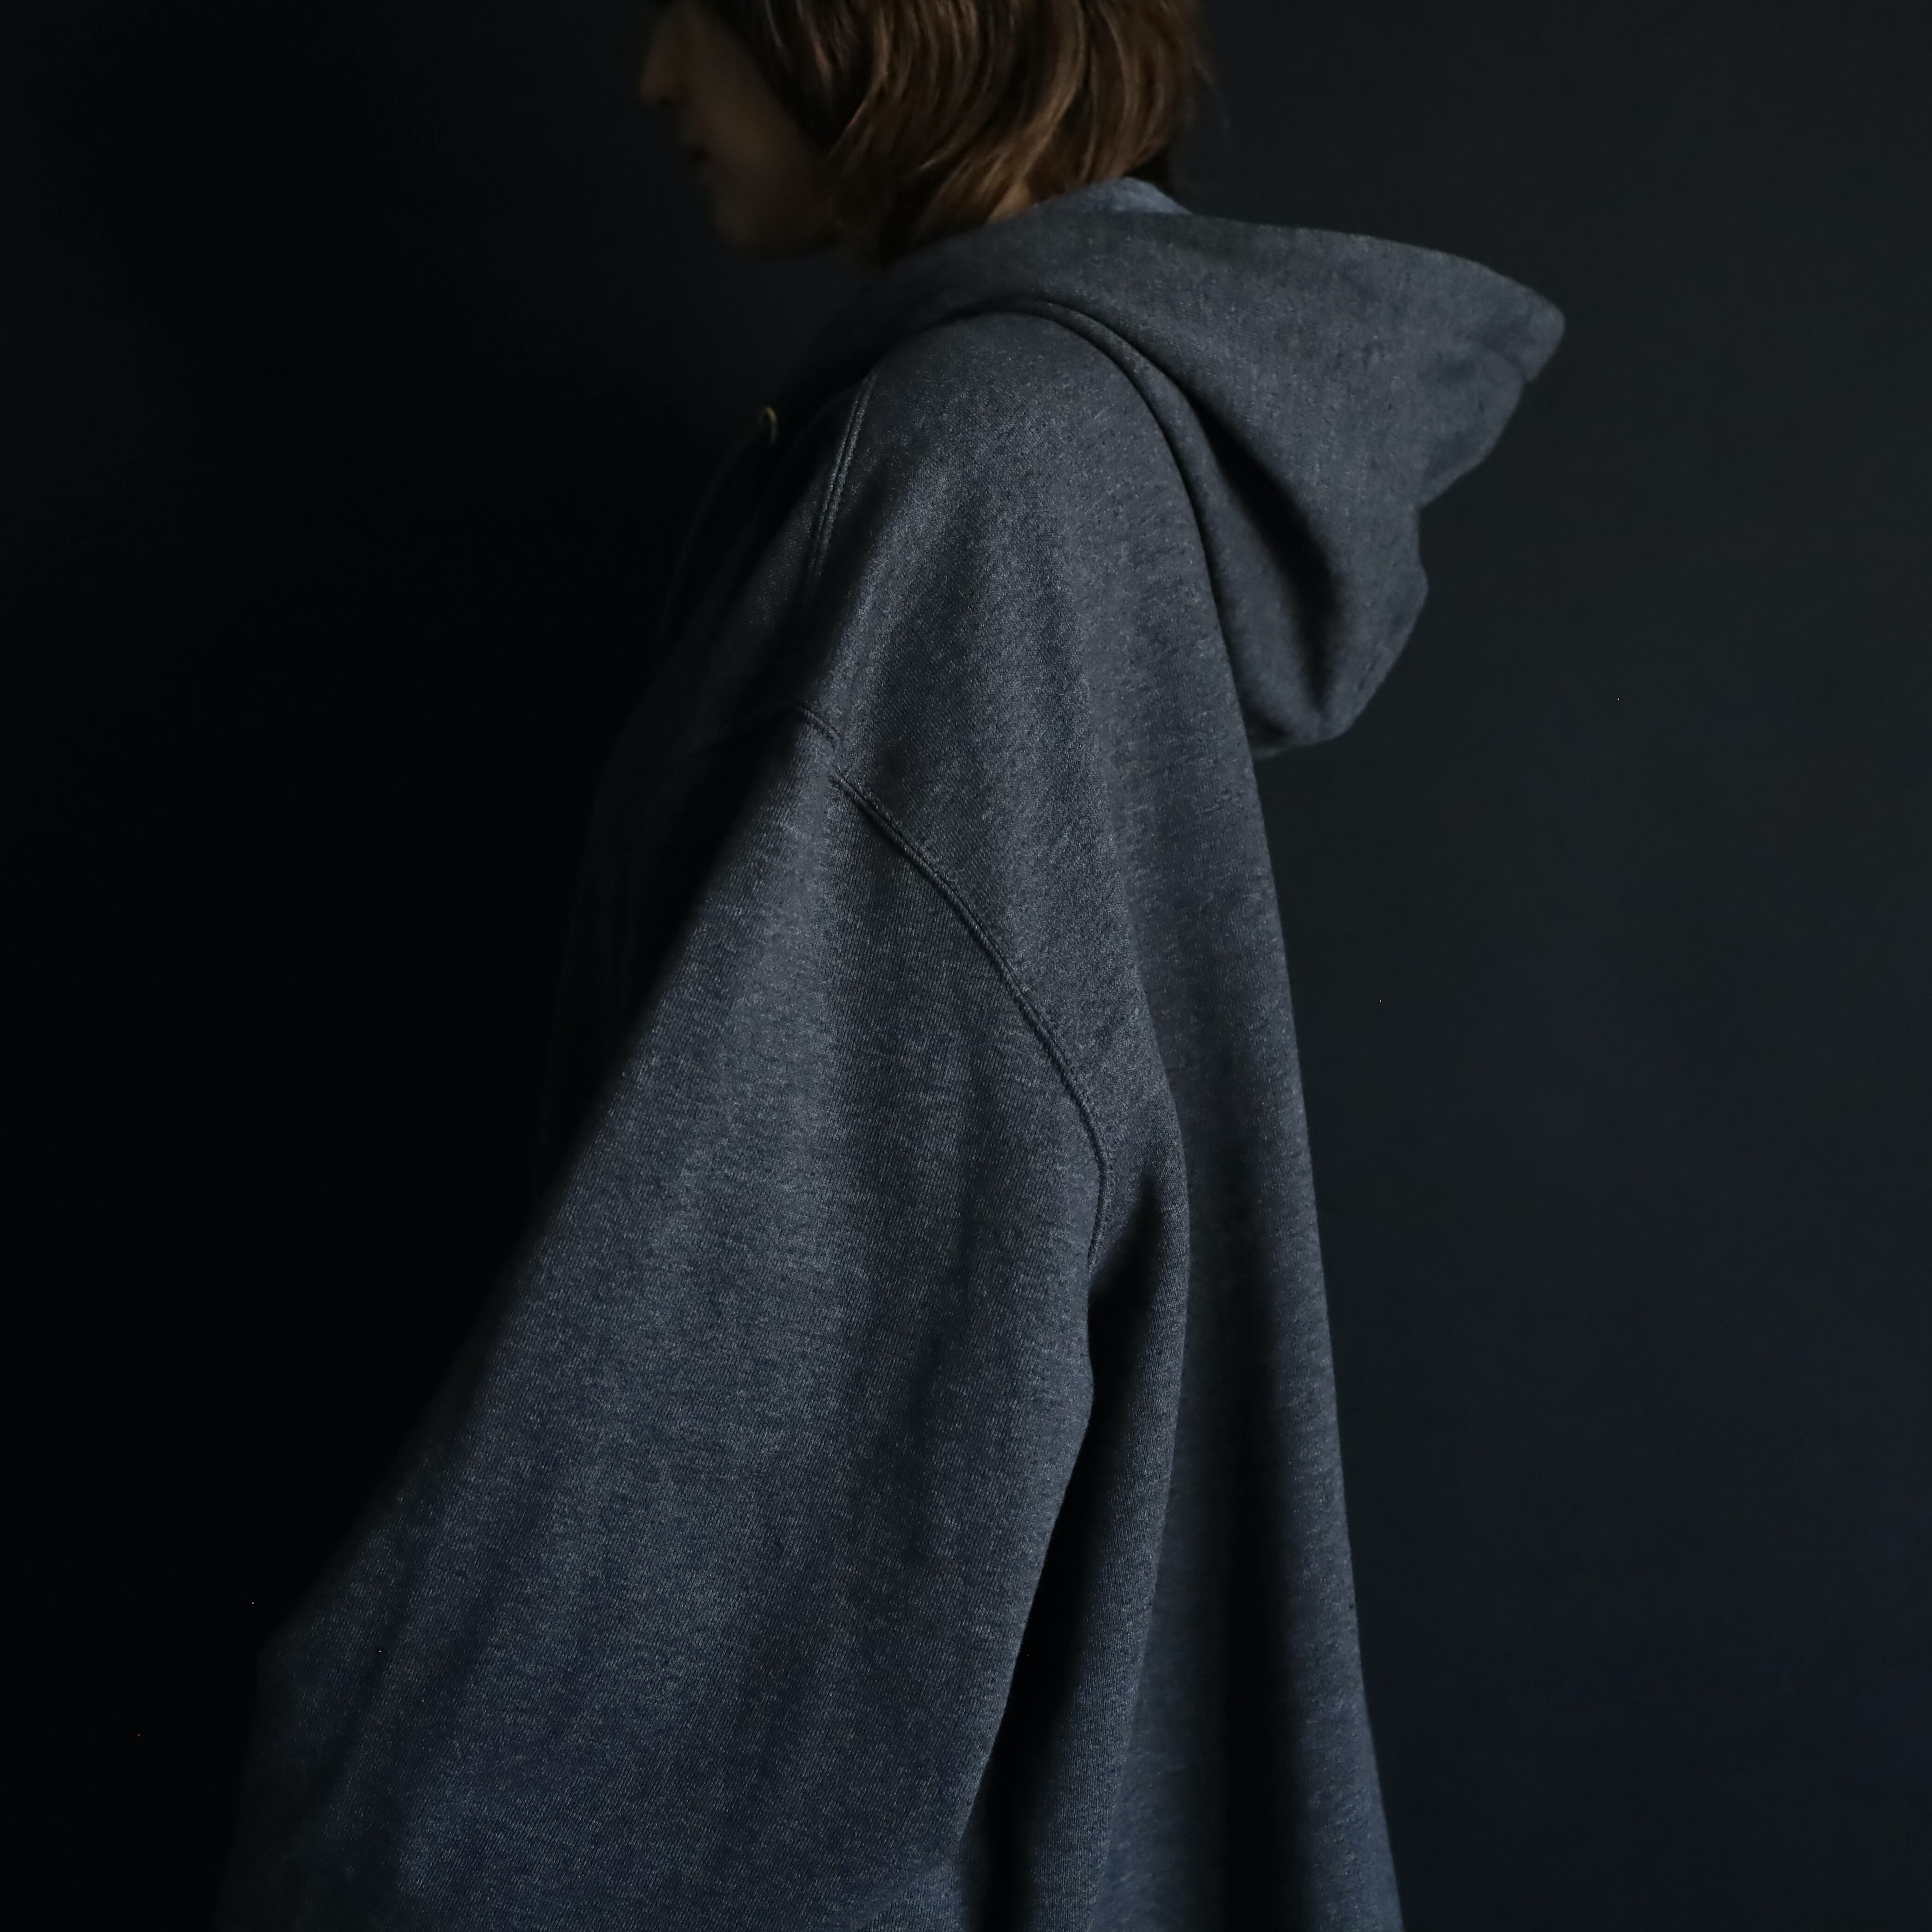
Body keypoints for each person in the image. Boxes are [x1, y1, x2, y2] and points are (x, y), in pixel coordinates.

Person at [219, 2, 1562, 1925]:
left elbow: (778, 1323)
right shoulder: (1042, 436)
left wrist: (382, 1795)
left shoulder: (969, 459)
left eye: (697, 6)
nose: (652, 76)